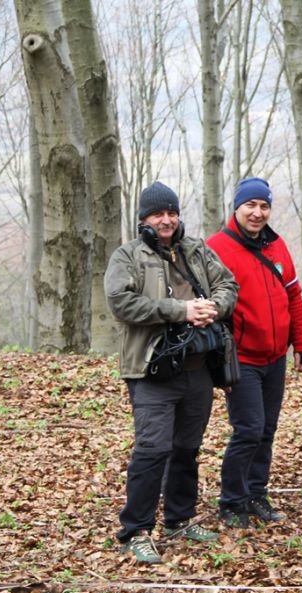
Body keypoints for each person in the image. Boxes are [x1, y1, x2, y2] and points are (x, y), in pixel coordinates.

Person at [105, 181, 238, 563]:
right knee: (153, 449)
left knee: (186, 448)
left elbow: (228, 283)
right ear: (144, 218)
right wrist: (179, 311)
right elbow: (120, 302)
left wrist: (214, 306)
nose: (165, 220)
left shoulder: (195, 249)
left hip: (197, 368)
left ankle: (179, 519)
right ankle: (136, 529)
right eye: (157, 214)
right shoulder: (127, 255)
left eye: (171, 213)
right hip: (150, 370)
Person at [206, 177, 302, 528]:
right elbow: (209, 309)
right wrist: (217, 360)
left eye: (264, 206)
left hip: (275, 356)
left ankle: (256, 494)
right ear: (237, 207)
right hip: (242, 358)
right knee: (248, 428)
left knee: (267, 429)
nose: (257, 212)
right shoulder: (217, 248)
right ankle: (231, 501)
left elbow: (293, 296)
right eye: (250, 205)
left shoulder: (277, 246)